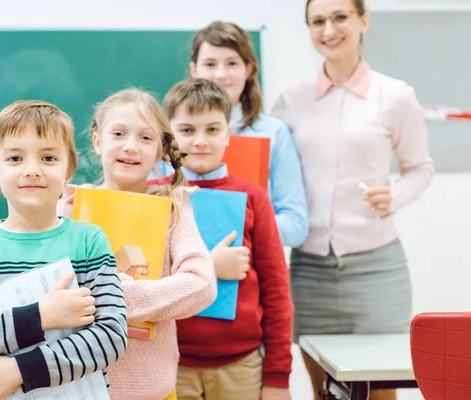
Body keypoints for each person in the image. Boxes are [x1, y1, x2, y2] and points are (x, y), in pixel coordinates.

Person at [271, 1, 434, 399]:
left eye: (340, 17)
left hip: (377, 268)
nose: (329, 29)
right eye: (318, 21)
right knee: (324, 391)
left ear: (363, 21)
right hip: (309, 270)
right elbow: (272, 168)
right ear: (309, 29)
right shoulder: (291, 100)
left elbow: (421, 168)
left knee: (379, 388)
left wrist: (394, 196)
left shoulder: (395, 95)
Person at [0, 100, 128, 399]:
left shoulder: (89, 242)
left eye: (48, 158)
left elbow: (111, 337)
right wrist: (41, 317)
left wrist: (20, 370)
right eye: (14, 158)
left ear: (68, 170)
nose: (32, 170)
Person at [60, 88, 217, 400]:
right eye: (119, 133)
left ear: (161, 150)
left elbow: (202, 285)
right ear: (97, 140)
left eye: (145, 138)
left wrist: (111, 298)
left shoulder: (174, 206)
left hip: (154, 390)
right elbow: (58, 291)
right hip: (79, 387)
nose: (131, 147)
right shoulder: (70, 206)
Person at [163, 77, 293, 400]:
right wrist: (209, 265)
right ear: (170, 137)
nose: (200, 141)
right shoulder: (158, 196)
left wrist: (278, 377)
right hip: (171, 362)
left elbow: (276, 291)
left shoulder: (253, 196)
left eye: (212, 129)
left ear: (228, 133)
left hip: (242, 366)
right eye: (187, 130)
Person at [150, 21, 308, 248]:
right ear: (195, 70)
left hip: (248, 264)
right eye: (210, 64)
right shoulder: (170, 131)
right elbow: (149, 203)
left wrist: (236, 224)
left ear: (249, 68)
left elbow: (296, 225)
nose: (221, 74)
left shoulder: (274, 132)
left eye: (232, 63)